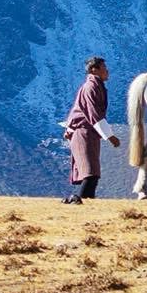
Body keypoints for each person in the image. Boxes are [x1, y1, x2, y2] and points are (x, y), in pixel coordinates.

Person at [62, 56, 120, 203]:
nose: (107, 71)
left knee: (92, 172)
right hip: (83, 131)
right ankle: (78, 201)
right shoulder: (91, 87)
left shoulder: (95, 86)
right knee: (90, 172)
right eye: (104, 68)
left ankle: (85, 202)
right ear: (95, 69)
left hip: (89, 132)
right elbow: (93, 113)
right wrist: (110, 136)